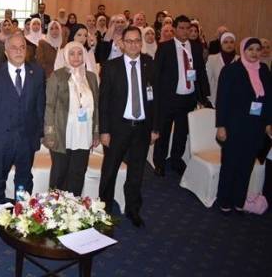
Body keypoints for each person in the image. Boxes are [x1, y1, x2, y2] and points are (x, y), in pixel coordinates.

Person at [98, 26, 159, 227]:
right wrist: (104, 130)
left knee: (137, 173)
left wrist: (155, 128)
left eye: (137, 41)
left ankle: (133, 210)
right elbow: (104, 101)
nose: (133, 44)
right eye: (129, 41)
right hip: (118, 128)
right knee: (110, 172)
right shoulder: (111, 67)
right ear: (122, 44)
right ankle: (104, 210)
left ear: (141, 43)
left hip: (142, 128)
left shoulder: (150, 64)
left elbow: (156, 99)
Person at [0, 34, 45, 228]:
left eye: (22, 47)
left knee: (24, 178)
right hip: (1, 137)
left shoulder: (37, 73)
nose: (19, 51)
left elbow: (40, 105)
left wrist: (39, 133)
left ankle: (22, 210)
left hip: (27, 138)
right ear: (6, 51)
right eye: (14, 48)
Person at [216, 37, 271, 214]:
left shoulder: (264, 70)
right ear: (243, 50)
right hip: (234, 125)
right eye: (250, 49)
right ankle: (224, 200)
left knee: (246, 166)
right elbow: (222, 99)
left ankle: (239, 200)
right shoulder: (231, 70)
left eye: (258, 49)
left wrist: (268, 122)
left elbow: (269, 99)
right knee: (230, 164)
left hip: (255, 126)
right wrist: (221, 126)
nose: (255, 53)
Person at [153, 15, 211, 177]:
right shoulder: (165, 47)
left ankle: (176, 160)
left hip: (188, 98)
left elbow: (200, 71)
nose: (185, 32)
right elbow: (157, 74)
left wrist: (203, 95)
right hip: (169, 98)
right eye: (182, 28)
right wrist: (157, 97)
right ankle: (159, 162)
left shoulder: (196, 47)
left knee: (181, 133)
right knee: (164, 132)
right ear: (174, 29)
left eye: (188, 28)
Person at [43, 41, 99, 195]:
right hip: (63, 133)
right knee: (60, 173)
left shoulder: (91, 77)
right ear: (66, 56)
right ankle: (55, 205)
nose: (76, 57)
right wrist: (49, 133)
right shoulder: (57, 76)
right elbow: (49, 106)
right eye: (72, 53)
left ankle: (74, 205)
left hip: (84, 132)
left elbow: (96, 106)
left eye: (80, 53)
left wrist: (96, 132)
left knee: (78, 172)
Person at [206, 32, 238, 107]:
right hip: (216, 98)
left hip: (235, 99)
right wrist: (208, 97)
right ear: (221, 44)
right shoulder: (212, 59)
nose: (229, 45)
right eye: (225, 42)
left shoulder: (239, 60)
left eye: (231, 42)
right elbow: (208, 79)